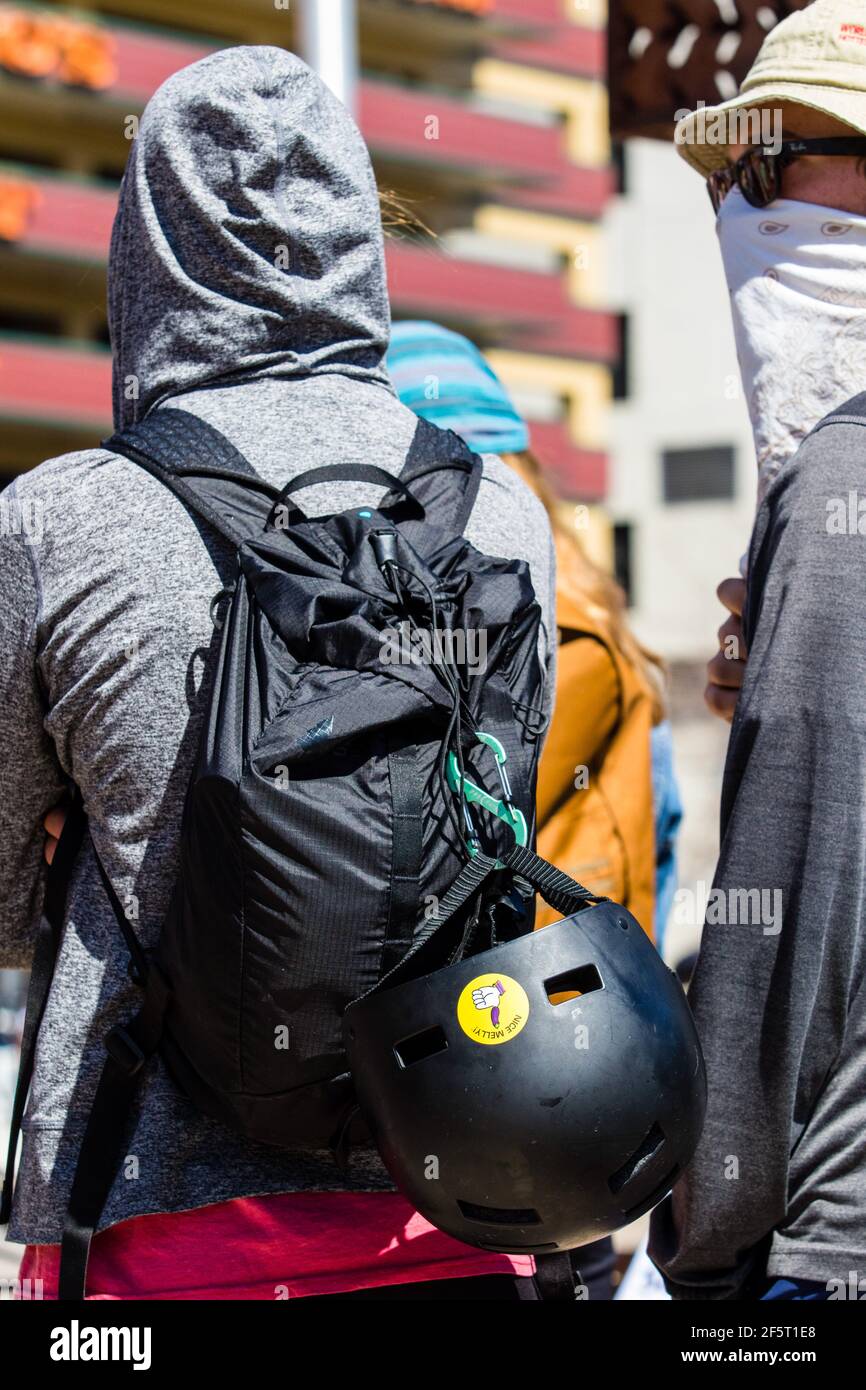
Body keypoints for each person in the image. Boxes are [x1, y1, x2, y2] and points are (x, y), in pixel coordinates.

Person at [0, 47, 559, 1301]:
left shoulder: (60, 520)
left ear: (144, 252)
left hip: (151, 1227)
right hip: (457, 1189)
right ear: (360, 229)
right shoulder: (502, 513)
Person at [386, 320, 683, 1298]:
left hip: (533, 1055)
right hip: (563, 1053)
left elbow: (441, 815)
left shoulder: (546, 624)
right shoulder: (576, 598)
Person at [650, 0, 866, 1300]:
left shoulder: (846, 472)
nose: (739, 207)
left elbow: (791, 922)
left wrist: (709, 1221)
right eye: (735, 175)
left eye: (773, 161)